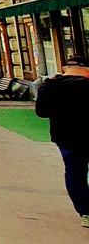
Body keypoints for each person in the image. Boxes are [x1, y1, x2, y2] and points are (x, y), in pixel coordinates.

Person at [35, 55, 89, 228]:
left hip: (65, 137)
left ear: (65, 69)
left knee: (74, 174)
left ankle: (86, 212)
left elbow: (41, 113)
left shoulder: (48, 86)